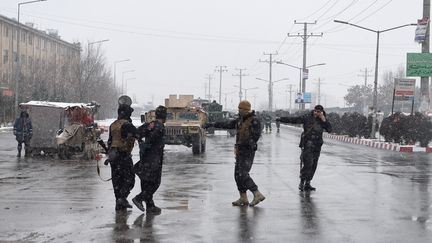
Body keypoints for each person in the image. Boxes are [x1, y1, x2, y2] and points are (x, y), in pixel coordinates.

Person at [208, 100, 265, 207]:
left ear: (246, 110)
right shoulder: (240, 120)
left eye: (241, 109)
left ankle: (257, 193)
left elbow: (255, 136)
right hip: (240, 151)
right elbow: (228, 124)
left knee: (243, 174)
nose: (239, 110)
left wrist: (248, 145)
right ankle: (243, 197)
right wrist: (212, 124)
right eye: (238, 108)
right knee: (237, 175)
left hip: (247, 151)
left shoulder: (254, 120)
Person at [277, 105, 332, 191]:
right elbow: (294, 120)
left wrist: (324, 120)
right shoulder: (307, 117)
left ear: (321, 112)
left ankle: (308, 183)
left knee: (314, 164)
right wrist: (281, 118)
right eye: (315, 111)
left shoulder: (323, 119)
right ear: (313, 111)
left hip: (317, 145)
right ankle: (302, 181)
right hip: (308, 144)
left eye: (319, 112)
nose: (316, 113)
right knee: (307, 163)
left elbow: (329, 129)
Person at [132, 105, 167, 214]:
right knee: (155, 182)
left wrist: (142, 143)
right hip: (154, 158)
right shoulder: (160, 126)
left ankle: (150, 206)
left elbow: (137, 133)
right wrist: (147, 144)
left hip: (145, 157)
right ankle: (139, 198)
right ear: (165, 116)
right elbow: (153, 138)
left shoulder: (150, 124)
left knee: (146, 181)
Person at [107, 103, 139, 211]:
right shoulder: (127, 125)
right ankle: (122, 198)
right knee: (130, 179)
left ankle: (119, 203)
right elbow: (138, 134)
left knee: (117, 181)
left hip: (113, 156)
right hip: (123, 155)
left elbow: (110, 141)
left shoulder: (113, 124)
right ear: (127, 113)